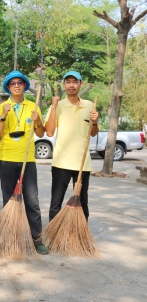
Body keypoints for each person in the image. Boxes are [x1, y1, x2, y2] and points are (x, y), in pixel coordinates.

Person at [0, 70, 49, 255]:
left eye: (20, 82)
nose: (16, 85)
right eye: (12, 83)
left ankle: (37, 240)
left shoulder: (33, 106)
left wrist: (38, 120)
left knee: (32, 201)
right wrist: (3, 116)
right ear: (8, 87)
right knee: (9, 202)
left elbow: (41, 133)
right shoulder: (2, 107)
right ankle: (11, 240)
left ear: (25, 85)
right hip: (7, 159)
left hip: (27, 160)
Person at [44, 71, 99, 221]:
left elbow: (93, 133)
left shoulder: (89, 106)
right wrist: (54, 107)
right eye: (68, 82)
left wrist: (95, 121)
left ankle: (81, 237)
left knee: (82, 203)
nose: (71, 85)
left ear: (81, 84)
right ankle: (52, 237)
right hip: (61, 162)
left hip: (82, 164)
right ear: (64, 85)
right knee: (56, 203)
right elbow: (49, 132)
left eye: (75, 82)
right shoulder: (58, 106)